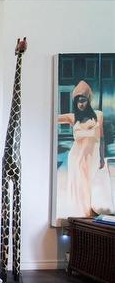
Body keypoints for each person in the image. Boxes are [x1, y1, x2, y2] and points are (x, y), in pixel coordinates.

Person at [58, 80, 113, 216]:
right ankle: (83, 215)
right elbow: (52, 117)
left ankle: (91, 213)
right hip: (76, 158)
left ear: (88, 100)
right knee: (80, 186)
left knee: (92, 186)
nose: (80, 104)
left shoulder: (98, 115)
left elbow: (101, 138)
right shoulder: (73, 117)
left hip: (93, 157)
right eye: (78, 101)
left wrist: (101, 157)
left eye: (83, 100)